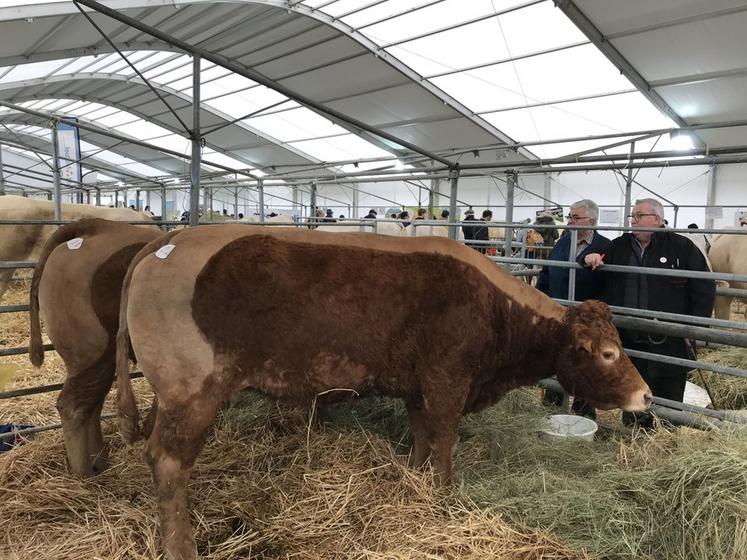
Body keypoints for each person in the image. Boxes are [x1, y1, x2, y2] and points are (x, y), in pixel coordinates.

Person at [583, 198, 716, 428]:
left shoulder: (680, 247)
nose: (632, 220)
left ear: (656, 219)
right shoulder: (620, 245)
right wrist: (589, 256)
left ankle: (667, 435)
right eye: (632, 216)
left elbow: (704, 287)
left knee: (669, 389)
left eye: (638, 216)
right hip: (629, 336)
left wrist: (694, 327)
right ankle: (634, 433)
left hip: (668, 337)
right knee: (632, 388)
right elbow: (591, 255)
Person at [537, 200, 612, 419]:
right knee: (557, 359)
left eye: (575, 217)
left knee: (585, 364)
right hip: (558, 314)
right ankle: (551, 408)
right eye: (570, 216)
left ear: (592, 220)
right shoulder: (562, 243)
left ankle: (583, 414)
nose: (569, 221)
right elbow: (547, 272)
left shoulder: (605, 245)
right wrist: (541, 299)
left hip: (586, 320)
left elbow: (607, 284)